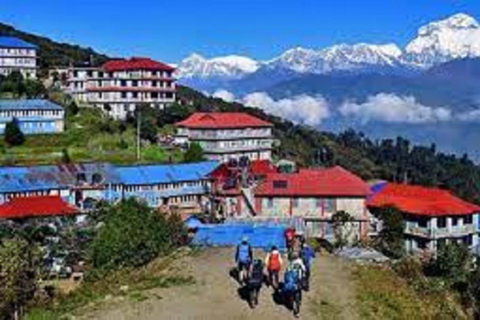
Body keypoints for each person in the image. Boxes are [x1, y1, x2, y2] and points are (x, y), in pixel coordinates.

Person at [283, 252, 305, 317]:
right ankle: (297, 312)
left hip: (292, 282)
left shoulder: (291, 264)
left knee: (292, 294)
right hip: (298, 282)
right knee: (298, 295)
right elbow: (304, 270)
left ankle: (291, 306)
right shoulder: (300, 263)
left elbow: (286, 274)